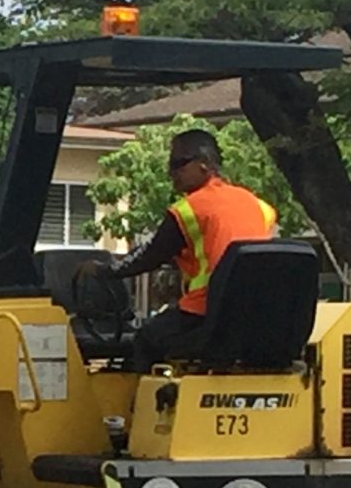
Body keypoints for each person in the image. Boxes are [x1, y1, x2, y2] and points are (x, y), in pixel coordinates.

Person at [80, 127, 276, 370]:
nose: (170, 173)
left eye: (178, 163)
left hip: (206, 314)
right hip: (259, 317)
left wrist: (105, 270)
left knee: (146, 339)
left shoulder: (188, 210)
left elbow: (149, 256)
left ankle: (138, 407)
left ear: (204, 164)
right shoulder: (260, 207)